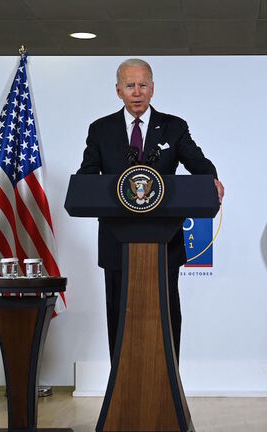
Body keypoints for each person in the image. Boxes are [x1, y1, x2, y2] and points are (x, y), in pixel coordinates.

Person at [77, 58, 225, 362]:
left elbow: (198, 163)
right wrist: (88, 188)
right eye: (130, 85)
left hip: (165, 243)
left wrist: (213, 179)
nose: (136, 92)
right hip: (117, 244)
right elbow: (88, 175)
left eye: (143, 85)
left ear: (153, 89)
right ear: (118, 90)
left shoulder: (174, 127)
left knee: (166, 316)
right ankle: (120, 389)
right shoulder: (101, 130)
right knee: (119, 316)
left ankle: (169, 388)